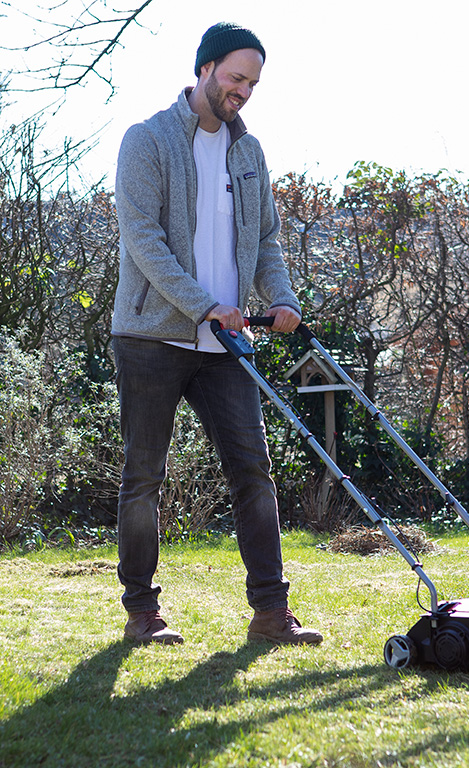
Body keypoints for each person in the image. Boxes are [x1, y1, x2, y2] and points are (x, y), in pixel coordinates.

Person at [111, 22, 322, 647]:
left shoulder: (248, 154)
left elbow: (264, 243)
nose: (244, 92)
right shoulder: (146, 141)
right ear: (203, 69)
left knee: (254, 473)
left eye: (253, 83)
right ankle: (143, 613)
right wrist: (204, 305)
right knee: (144, 477)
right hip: (152, 336)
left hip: (227, 344)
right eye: (235, 78)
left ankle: (269, 614)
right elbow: (143, 242)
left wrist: (279, 299)